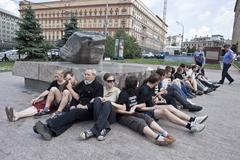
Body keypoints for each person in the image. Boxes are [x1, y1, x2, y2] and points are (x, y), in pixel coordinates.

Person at [32, 69, 104, 141]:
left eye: (88, 75)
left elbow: (97, 102)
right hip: (78, 107)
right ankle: (51, 132)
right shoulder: (82, 83)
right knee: (70, 118)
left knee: (74, 113)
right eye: (85, 74)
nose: (85, 76)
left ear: (94, 76)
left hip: (89, 110)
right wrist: (72, 105)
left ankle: (48, 125)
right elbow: (74, 96)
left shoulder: (98, 86)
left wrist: (85, 106)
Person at [111, 75, 175, 146]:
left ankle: (164, 133)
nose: (138, 83)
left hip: (133, 112)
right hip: (123, 116)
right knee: (140, 121)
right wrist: (128, 112)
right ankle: (158, 138)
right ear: (134, 84)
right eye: (137, 82)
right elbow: (116, 110)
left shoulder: (135, 91)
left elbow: (143, 104)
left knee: (145, 117)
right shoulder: (124, 94)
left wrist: (135, 106)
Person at [137, 73, 207, 133]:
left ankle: (193, 119)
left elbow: (149, 100)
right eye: (159, 82)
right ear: (156, 82)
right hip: (145, 112)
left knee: (170, 106)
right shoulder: (144, 90)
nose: (159, 84)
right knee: (165, 111)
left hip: (151, 107)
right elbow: (140, 108)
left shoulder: (150, 87)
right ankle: (189, 126)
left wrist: (155, 100)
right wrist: (154, 106)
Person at [79, 73, 121, 141]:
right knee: (97, 99)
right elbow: (93, 101)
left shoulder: (117, 91)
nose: (112, 82)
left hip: (110, 116)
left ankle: (93, 131)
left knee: (107, 103)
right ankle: (104, 129)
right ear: (105, 81)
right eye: (109, 81)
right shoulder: (101, 89)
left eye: (113, 80)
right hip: (99, 114)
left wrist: (110, 102)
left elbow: (122, 107)